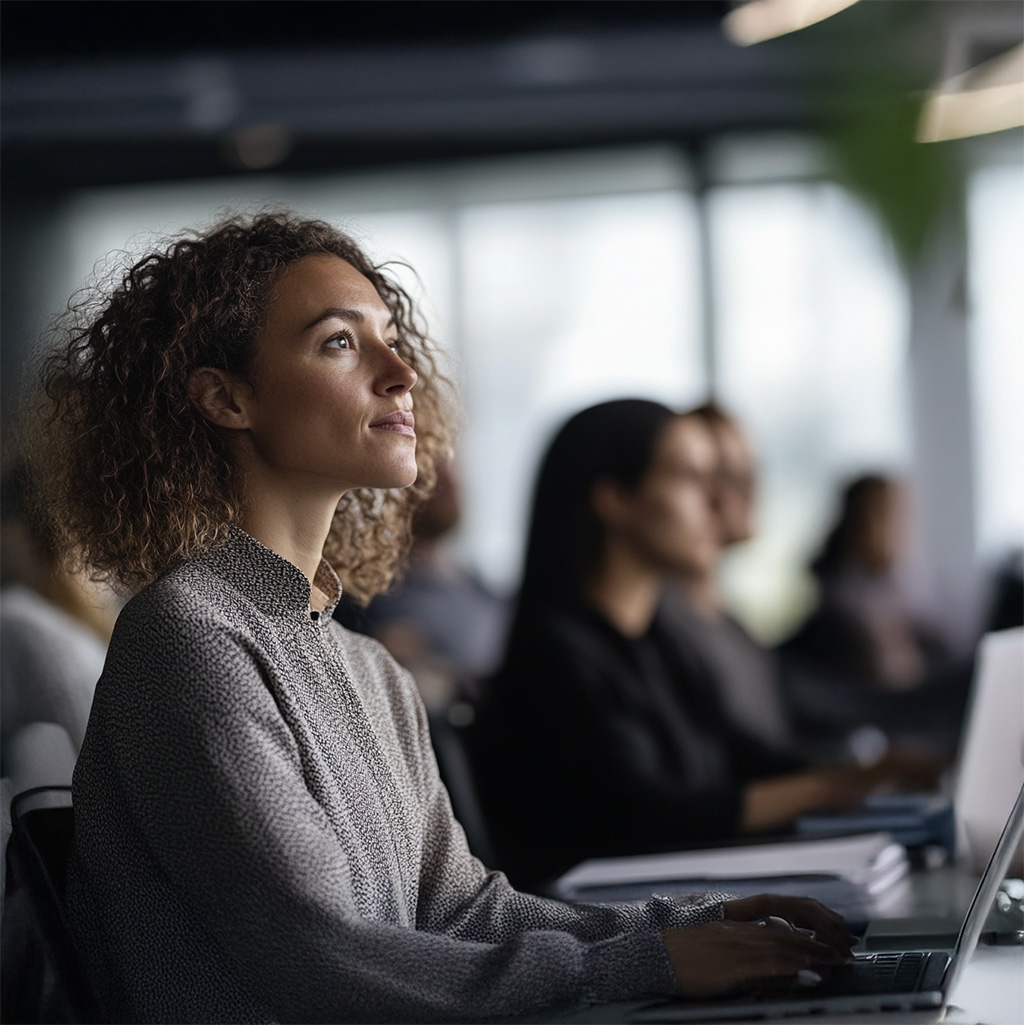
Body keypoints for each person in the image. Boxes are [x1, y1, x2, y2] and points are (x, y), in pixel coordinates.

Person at [30, 214, 856, 1024]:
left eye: (392, 337)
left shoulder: (368, 666)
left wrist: (692, 923)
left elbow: (466, 912)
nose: (401, 372)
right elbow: (323, 962)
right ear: (225, 397)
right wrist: (650, 963)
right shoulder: (187, 637)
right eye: (340, 341)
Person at [472, 400, 918, 892]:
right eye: (690, 477)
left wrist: (875, 774)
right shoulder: (556, 654)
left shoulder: (662, 640)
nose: (719, 502)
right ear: (614, 498)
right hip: (615, 926)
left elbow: (752, 759)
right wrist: (835, 785)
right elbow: (651, 815)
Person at [779, 474, 970, 756]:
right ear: (858, 524)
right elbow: (890, 684)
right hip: (880, 720)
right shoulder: (839, 614)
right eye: (890, 517)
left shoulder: (901, 593)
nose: (903, 530)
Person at [662, 402, 794, 753]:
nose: (750, 490)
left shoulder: (724, 621)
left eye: (752, 471)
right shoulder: (666, 633)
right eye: (730, 475)